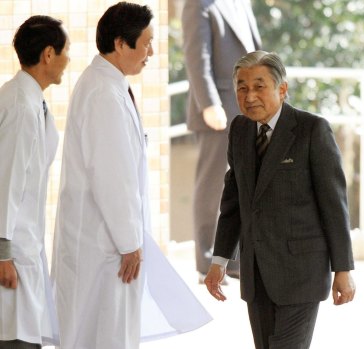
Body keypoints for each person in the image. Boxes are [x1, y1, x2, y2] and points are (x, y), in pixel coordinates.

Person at [51, 3, 211, 348]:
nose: (151, 52)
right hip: (105, 245)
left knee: (110, 331)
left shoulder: (110, 84)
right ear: (121, 44)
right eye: (147, 43)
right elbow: (112, 176)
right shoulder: (102, 93)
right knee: (107, 334)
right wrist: (129, 243)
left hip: (106, 240)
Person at [204, 50, 356, 349]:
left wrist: (343, 269)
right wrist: (220, 260)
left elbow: (334, 206)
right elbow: (234, 201)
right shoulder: (240, 129)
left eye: (259, 86)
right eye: (242, 88)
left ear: (282, 89)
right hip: (256, 274)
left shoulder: (312, 130)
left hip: (301, 274)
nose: (249, 97)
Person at [0, 15, 69, 349]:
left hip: (23, 248)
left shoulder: (31, 101)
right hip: (11, 254)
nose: (68, 60)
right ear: (48, 55)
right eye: (65, 51)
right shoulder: (19, 105)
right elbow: (6, 182)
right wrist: (2, 253)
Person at [182, 0, 262, 282]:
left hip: (247, 107)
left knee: (242, 185)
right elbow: (196, 57)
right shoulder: (198, 4)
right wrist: (209, 104)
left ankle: (235, 258)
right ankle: (207, 260)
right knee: (213, 185)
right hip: (217, 111)